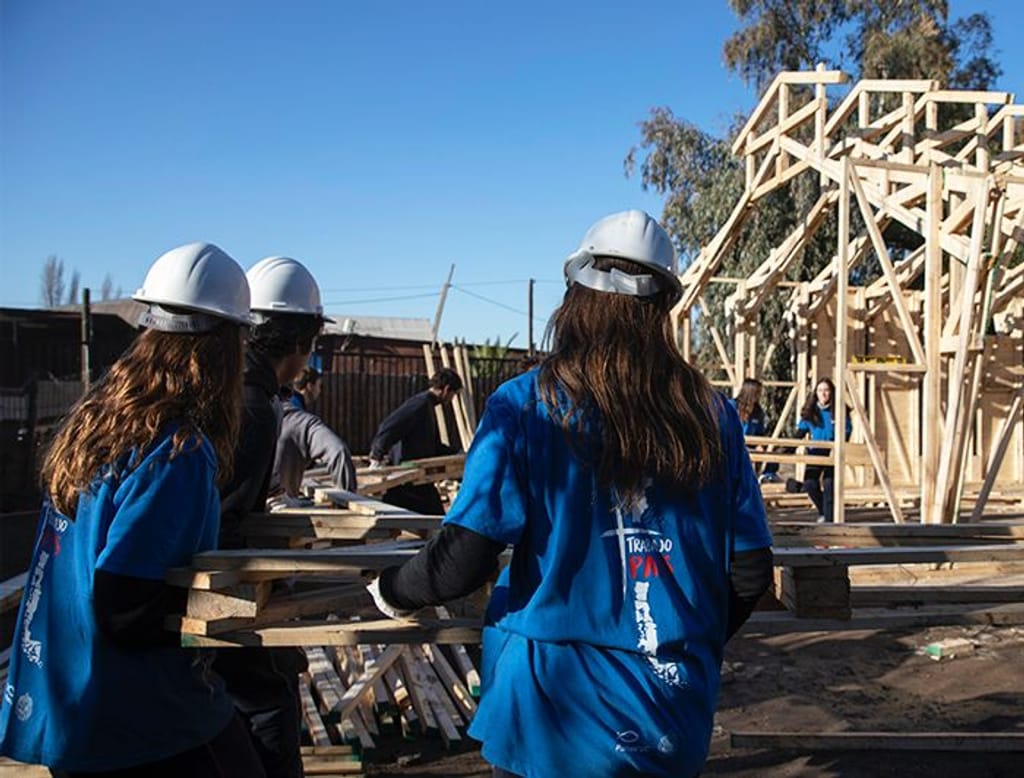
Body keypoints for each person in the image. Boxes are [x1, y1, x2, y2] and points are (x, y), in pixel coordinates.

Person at [366, 210, 774, 777]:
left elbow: (463, 557)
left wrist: (391, 590)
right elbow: (750, 571)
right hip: (667, 715)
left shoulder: (523, 405)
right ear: (664, 310)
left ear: (574, 296)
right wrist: (684, 634)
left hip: (547, 717)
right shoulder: (714, 417)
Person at [0, 242, 266, 777]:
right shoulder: (177, 452)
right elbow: (125, 605)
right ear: (228, 347)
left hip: (67, 700)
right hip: (138, 718)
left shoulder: (97, 422)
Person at [214, 255, 327, 778]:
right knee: (269, 709)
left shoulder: (235, 390)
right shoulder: (254, 407)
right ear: (302, 342)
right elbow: (226, 524)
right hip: (224, 614)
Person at [368, 367, 463, 515]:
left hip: (417, 477)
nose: (451, 399)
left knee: (403, 517)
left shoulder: (428, 407)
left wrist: (458, 454)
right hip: (407, 476)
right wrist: (377, 455)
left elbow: (434, 446)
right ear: (446, 389)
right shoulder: (420, 404)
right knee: (434, 519)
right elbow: (389, 426)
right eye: (453, 394)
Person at [273, 369, 356, 499]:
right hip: (280, 503)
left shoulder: (245, 411)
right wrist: (349, 500)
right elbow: (338, 451)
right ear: (310, 386)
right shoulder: (300, 417)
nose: (320, 391)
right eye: (319, 386)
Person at [793, 377, 852, 523]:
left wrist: (840, 446)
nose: (823, 394)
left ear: (831, 392)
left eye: (826, 390)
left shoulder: (839, 409)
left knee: (829, 485)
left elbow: (847, 430)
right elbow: (799, 433)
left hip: (833, 452)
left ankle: (829, 521)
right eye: (820, 390)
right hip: (815, 452)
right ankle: (823, 512)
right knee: (810, 483)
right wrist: (783, 449)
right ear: (816, 393)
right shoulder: (811, 411)